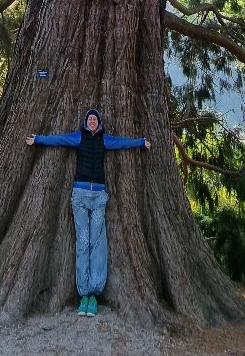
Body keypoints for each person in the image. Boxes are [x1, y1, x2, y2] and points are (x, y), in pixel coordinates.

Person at [26, 108, 151, 316]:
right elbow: (60, 140)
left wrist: (140, 142)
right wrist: (38, 139)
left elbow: (121, 143)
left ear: (99, 122)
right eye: (89, 118)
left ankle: (94, 293)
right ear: (85, 122)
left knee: (97, 244)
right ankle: (83, 293)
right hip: (80, 196)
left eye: (95, 118)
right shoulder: (78, 137)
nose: (92, 121)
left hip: (99, 197)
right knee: (83, 243)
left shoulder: (104, 140)